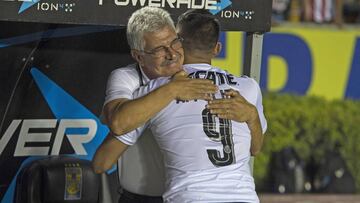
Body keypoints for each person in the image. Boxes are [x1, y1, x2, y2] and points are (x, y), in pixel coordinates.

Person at [94, 9, 267, 202]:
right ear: (139, 57)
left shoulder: (155, 89)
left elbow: (102, 162)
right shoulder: (247, 86)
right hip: (238, 197)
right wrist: (171, 91)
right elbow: (117, 125)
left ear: (182, 42)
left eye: (174, 42)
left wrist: (252, 117)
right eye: (159, 49)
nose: (171, 54)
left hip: (186, 195)